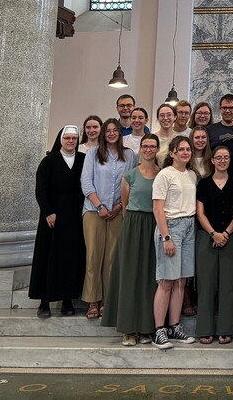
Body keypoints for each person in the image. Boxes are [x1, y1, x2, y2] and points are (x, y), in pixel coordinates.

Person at [102, 134, 160, 345]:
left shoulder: (162, 175)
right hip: (133, 226)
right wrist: (132, 227)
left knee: (149, 277)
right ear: (140, 149)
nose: (148, 150)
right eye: (145, 146)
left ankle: (145, 327)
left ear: (157, 149)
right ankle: (127, 329)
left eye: (152, 146)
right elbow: (125, 207)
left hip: (153, 226)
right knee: (129, 276)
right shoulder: (130, 176)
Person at [81, 118, 137, 320]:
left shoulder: (129, 155)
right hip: (93, 211)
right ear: (103, 133)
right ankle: (93, 300)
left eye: (115, 130)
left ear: (120, 133)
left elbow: (132, 182)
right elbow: (86, 182)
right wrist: (100, 206)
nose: (111, 133)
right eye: (108, 131)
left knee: (113, 258)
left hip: (118, 211)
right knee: (94, 256)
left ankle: (108, 300)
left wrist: (119, 206)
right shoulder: (92, 154)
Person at [30, 126, 86, 318]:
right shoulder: (48, 161)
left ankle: (67, 300)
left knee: (70, 258)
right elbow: (40, 189)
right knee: (48, 257)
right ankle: (44, 301)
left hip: (75, 218)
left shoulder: (82, 160)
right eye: (67, 138)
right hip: (52, 218)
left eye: (74, 138)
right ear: (60, 140)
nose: (71, 141)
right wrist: (48, 212)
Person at [150, 136, 198, 348]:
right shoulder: (164, 175)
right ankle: (159, 331)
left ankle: (174, 326)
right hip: (171, 227)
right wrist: (166, 236)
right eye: (181, 149)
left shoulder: (191, 175)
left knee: (181, 281)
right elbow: (157, 208)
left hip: (189, 227)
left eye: (188, 149)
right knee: (167, 281)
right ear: (172, 153)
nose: (185, 152)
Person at [195, 145, 233, 345]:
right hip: (207, 238)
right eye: (218, 157)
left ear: (229, 160)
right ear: (212, 160)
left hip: (231, 237)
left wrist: (226, 234)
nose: (222, 160)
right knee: (206, 285)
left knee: (229, 285)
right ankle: (205, 329)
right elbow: (200, 213)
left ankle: (225, 328)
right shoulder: (203, 184)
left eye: (226, 157)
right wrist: (214, 234)